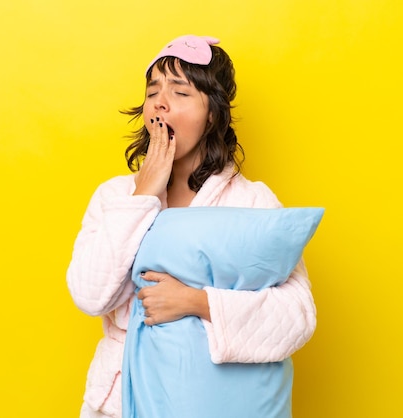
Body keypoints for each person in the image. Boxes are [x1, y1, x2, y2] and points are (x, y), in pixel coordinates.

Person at [67, 35, 317, 418]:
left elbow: (296, 317)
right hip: (119, 405)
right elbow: (89, 294)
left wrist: (196, 303)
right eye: (153, 91)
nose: (160, 102)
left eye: (180, 92)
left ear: (212, 114)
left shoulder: (251, 202)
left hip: (215, 403)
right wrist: (144, 194)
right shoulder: (115, 196)